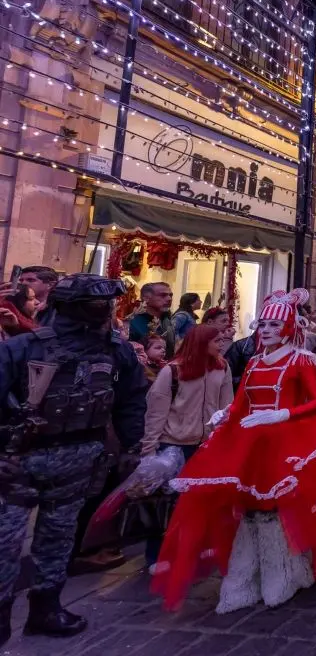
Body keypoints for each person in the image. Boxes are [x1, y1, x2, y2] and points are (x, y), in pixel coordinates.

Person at [150, 289, 316, 613]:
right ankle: (247, 579)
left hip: (286, 441)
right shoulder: (255, 361)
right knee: (250, 510)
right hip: (251, 441)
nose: (266, 331)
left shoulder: (302, 359)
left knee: (276, 509)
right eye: (263, 325)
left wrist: (283, 414)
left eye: (274, 325)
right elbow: (242, 400)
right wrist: (225, 415)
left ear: (287, 327)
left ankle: (284, 574)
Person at [0, 275, 146, 646]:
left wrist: (132, 447)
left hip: (80, 460)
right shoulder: (22, 348)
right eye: (95, 305)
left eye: (107, 305)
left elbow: (131, 398)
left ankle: (46, 607)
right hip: (20, 463)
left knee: (59, 537)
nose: (105, 312)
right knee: (5, 542)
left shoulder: (116, 351)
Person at [140, 324, 234, 565]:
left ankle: (194, 548)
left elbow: (227, 408)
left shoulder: (221, 368)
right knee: (167, 504)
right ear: (202, 342)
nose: (221, 344)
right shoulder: (172, 372)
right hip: (173, 444)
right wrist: (149, 450)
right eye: (217, 340)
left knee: (201, 502)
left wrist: (224, 440)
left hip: (206, 445)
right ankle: (158, 556)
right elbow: (156, 414)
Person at [129, 282, 176, 358]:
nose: (169, 299)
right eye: (163, 295)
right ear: (146, 298)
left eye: (170, 295)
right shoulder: (133, 323)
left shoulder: (167, 321)